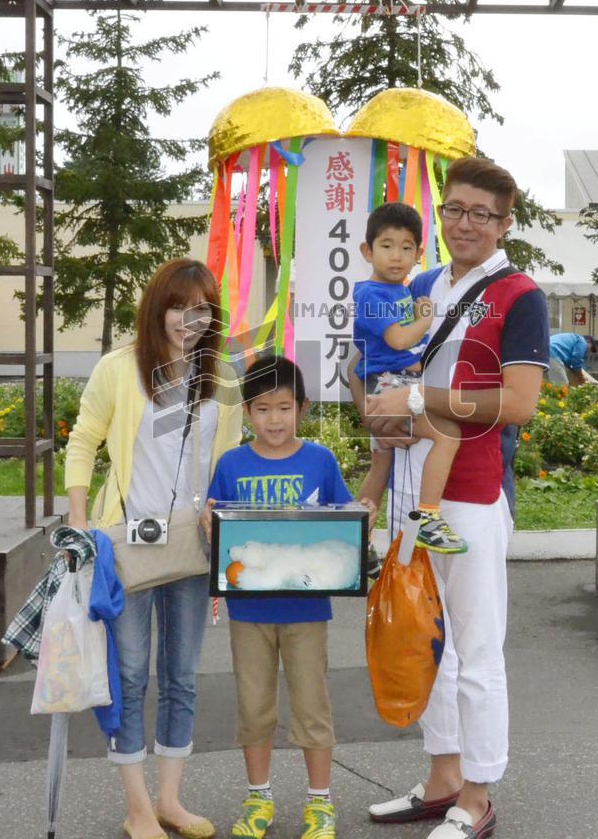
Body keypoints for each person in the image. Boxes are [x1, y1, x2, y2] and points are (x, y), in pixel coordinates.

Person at [350, 157, 549, 839]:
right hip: (410, 486)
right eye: (456, 209)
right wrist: (379, 409)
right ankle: (441, 778)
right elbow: (378, 359)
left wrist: (417, 398)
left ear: (504, 223)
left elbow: (518, 403)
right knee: (425, 643)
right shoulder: (423, 281)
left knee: (477, 648)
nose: (466, 223)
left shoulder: (520, 295)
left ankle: (478, 794)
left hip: (468, 494)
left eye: (482, 214)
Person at [65, 258, 242, 839]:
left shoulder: (224, 376)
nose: (190, 319)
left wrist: (224, 515)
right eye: (179, 306)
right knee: (132, 673)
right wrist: (79, 524)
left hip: (192, 544)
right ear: (156, 309)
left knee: (182, 676)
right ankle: (137, 806)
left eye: (202, 308)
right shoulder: (120, 369)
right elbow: (83, 440)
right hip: (127, 544)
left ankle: (170, 800)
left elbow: (230, 459)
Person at [200, 355, 373, 839]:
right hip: (248, 611)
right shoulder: (232, 463)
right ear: (248, 413)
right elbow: (214, 523)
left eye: (283, 408)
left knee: (312, 705)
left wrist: (361, 514)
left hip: (307, 610)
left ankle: (320, 804)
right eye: (262, 409)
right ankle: (259, 798)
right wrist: (207, 524)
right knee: (254, 707)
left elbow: (342, 515)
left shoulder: (320, 460)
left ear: (302, 408)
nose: (274, 420)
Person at [353, 202, 467, 554]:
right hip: (386, 383)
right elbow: (398, 339)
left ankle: (357, 539)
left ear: (419, 253)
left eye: (406, 248)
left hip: (384, 379)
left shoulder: (398, 289)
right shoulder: (371, 294)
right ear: (367, 251)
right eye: (386, 246)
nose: (396, 256)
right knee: (447, 433)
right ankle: (429, 517)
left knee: (381, 464)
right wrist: (425, 317)